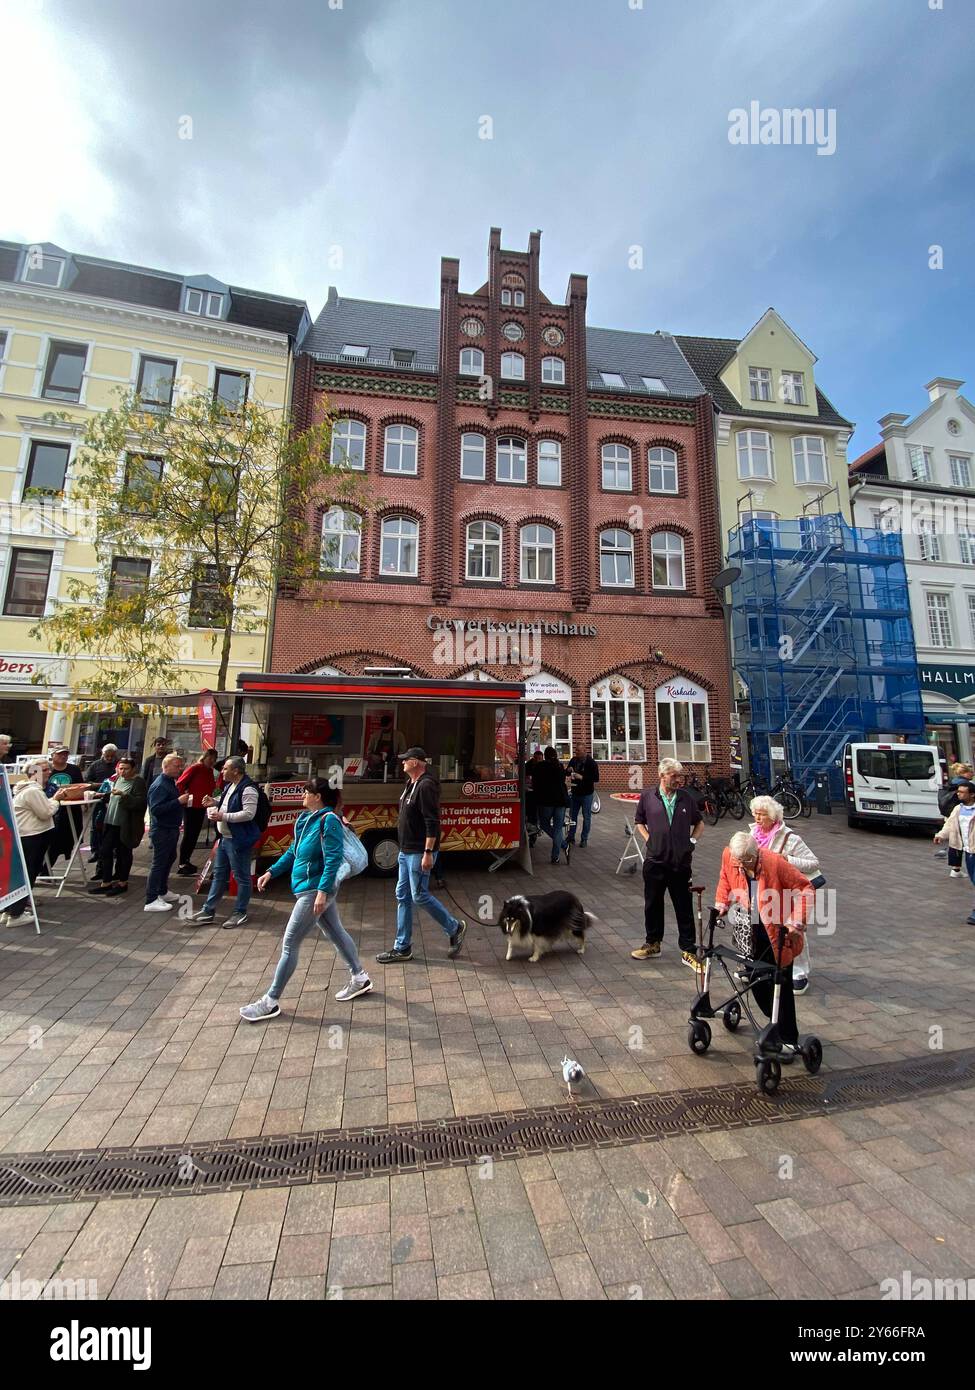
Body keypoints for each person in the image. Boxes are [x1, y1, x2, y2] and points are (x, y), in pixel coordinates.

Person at [240, 780, 372, 1021]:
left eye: (306, 792)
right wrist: (271, 872)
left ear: (318, 796)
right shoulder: (305, 819)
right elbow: (294, 850)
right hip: (308, 888)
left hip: (315, 890)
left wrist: (323, 891)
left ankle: (270, 1001)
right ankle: (359, 977)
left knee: (290, 943)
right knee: (335, 932)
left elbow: (332, 858)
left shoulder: (328, 820)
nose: (303, 794)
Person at [715, 831, 813, 1059]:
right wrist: (722, 902)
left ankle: (788, 1038)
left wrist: (796, 921)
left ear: (755, 853)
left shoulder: (774, 862)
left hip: (778, 933)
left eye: (745, 862)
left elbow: (806, 888)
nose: (740, 866)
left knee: (782, 985)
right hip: (751, 929)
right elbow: (725, 877)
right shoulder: (730, 855)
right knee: (756, 981)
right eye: (737, 862)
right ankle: (774, 1024)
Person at [376, 747, 466, 963]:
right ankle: (402, 946)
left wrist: (428, 852)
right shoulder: (411, 783)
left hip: (418, 851)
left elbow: (432, 821)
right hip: (406, 850)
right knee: (403, 895)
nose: (402, 763)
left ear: (416, 762)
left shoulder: (425, 786)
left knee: (419, 895)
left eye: (406, 760)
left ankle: (454, 927)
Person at [631, 757, 704, 969]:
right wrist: (649, 840)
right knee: (653, 903)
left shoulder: (685, 798)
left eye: (680, 776)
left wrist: (692, 840)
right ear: (662, 776)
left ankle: (688, 950)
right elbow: (639, 821)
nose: (679, 780)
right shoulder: (648, 796)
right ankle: (653, 943)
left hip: (680, 862)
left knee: (683, 905)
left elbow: (699, 822)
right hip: (655, 860)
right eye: (674, 776)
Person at [749, 795, 820, 995]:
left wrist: (786, 859)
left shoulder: (789, 838)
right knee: (761, 930)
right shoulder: (752, 833)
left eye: (762, 815)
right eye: (755, 814)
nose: (757, 819)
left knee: (792, 932)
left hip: (786, 893)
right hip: (760, 890)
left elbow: (813, 863)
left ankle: (799, 972)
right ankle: (765, 964)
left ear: (773, 817)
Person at [191, 756, 261, 928]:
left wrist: (222, 816)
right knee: (219, 876)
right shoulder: (230, 786)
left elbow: (248, 814)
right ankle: (208, 911)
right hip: (224, 839)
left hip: (237, 840)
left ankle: (240, 912)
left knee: (241, 877)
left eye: (225, 768)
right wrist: (214, 803)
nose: (222, 771)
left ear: (236, 771)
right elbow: (227, 804)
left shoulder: (249, 789)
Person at [2, 759, 60, 925]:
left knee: (23, 872)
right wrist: (56, 799)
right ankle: (16, 914)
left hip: (28, 835)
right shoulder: (32, 791)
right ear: (33, 773)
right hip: (32, 836)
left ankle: (10, 910)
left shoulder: (28, 789)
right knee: (28, 873)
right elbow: (45, 812)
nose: (48, 772)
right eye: (43, 770)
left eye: (47, 769)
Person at [88, 755, 147, 900]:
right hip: (111, 822)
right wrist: (101, 795)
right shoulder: (118, 779)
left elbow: (140, 803)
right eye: (121, 768)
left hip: (125, 825)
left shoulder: (138, 782)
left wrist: (124, 795)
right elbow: (112, 795)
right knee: (105, 851)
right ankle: (106, 882)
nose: (123, 772)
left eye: (126, 769)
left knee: (124, 853)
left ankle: (122, 883)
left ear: (134, 769)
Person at [144, 752, 188, 912]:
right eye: (177, 766)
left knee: (170, 858)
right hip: (162, 830)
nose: (180, 769)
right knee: (159, 863)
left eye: (180, 765)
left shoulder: (169, 782)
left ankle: (161, 890)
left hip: (171, 828)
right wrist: (178, 801)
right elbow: (156, 809)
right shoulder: (160, 785)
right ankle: (151, 899)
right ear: (166, 766)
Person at [934, 779, 975, 923]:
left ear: (972, 795)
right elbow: (950, 825)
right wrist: (940, 835)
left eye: (962, 792)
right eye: (958, 791)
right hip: (968, 851)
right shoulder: (958, 809)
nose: (959, 794)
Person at [175, 748, 217, 874]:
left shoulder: (209, 771)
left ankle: (186, 860)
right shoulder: (195, 768)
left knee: (194, 835)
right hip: (191, 806)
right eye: (210, 758)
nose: (212, 761)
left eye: (214, 759)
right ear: (205, 757)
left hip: (202, 806)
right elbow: (180, 783)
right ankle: (182, 863)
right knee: (189, 835)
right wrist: (184, 797)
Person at [45, 747, 85, 866]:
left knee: (68, 838)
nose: (63, 756)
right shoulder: (46, 770)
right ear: (52, 755)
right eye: (60, 754)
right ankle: (44, 868)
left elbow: (80, 786)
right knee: (51, 840)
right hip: (51, 809)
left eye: (66, 754)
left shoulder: (74, 769)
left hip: (71, 809)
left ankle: (47, 868)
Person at [532, 746, 571, 865]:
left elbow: (535, 783)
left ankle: (564, 845)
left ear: (545, 755)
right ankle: (556, 856)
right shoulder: (559, 766)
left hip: (546, 801)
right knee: (558, 828)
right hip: (560, 801)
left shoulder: (539, 766)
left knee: (544, 824)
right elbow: (562, 780)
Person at [85, 743, 120, 863]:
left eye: (112, 756)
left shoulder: (119, 765)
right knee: (95, 826)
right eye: (107, 756)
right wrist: (104, 784)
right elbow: (87, 782)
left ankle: (113, 849)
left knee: (113, 825)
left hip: (114, 799)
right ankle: (95, 850)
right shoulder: (95, 765)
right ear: (102, 754)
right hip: (98, 800)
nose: (109, 758)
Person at [937, 763, 974, 874]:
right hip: (960, 814)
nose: (972, 773)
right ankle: (956, 870)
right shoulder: (966, 785)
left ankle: (955, 869)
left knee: (955, 842)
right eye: (970, 771)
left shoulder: (951, 782)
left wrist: (940, 835)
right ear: (964, 773)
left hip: (950, 814)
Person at [565, 750, 599, 848]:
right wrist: (568, 770)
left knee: (586, 816)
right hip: (575, 792)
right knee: (572, 816)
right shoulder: (574, 760)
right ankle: (571, 837)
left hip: (587, 794)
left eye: (579, 753)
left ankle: (584, 839)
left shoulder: (591, 763)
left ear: (585, 752)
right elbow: (567, 773)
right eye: (576, 753)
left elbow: (596, 778)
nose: (577, 755)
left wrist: (582, 777)